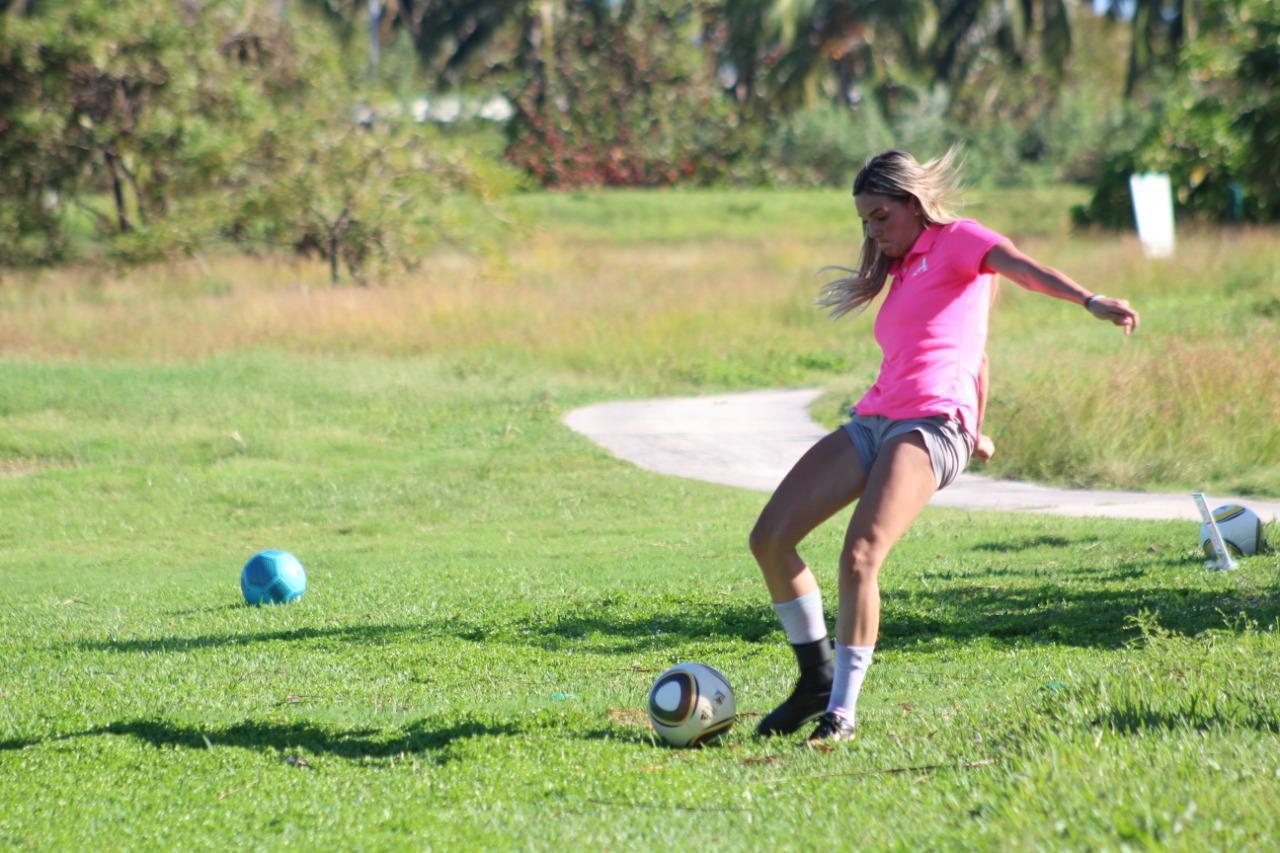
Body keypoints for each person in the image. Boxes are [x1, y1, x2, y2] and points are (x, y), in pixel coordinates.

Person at [748, 148, 1139, 745]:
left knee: (859, 555)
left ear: (913, 203)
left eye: (881, 217)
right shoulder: (902, 269)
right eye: (865, 222)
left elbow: (1022, 266)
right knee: (770, 537)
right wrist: (978, 425)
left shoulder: (958, 239)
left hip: (929, 425)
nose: (873, 232)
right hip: (876, 417)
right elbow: (972, 352)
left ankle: (841, 713)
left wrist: (1087, 300)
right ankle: (814, 679)